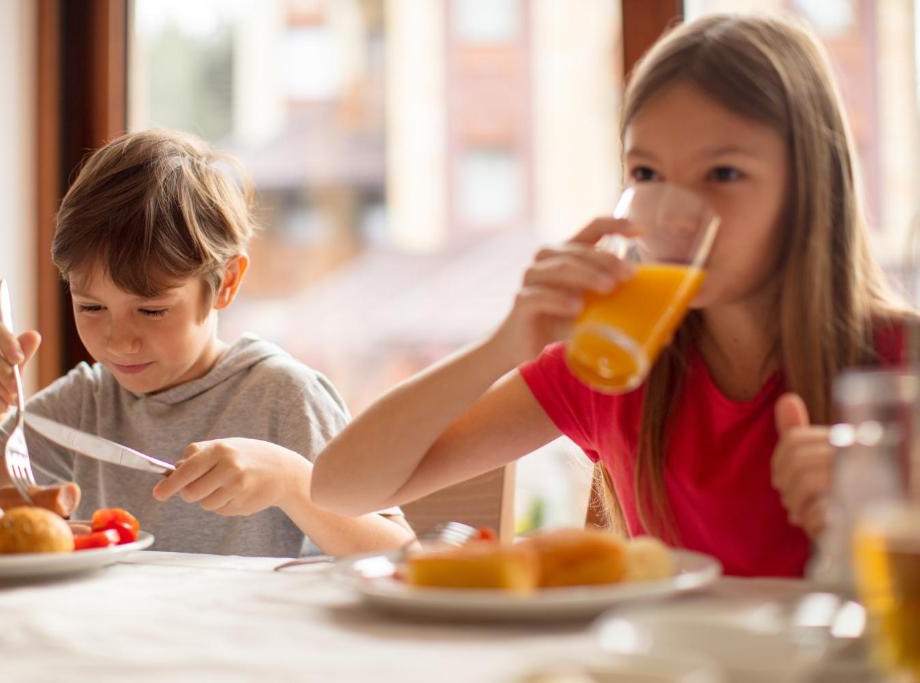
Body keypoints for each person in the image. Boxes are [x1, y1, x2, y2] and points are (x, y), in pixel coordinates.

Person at [310, 14, 908, 576]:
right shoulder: (615, 368)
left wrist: (890, 517)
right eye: (646, 175)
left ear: (811, 184)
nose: (673, 215)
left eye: (723, 174)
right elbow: (340, 487)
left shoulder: (900, 367)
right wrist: (504, 345)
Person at [0, 129, 413, 556]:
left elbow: (400, 556)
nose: (118, 341)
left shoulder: (283, 398)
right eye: (91, 307)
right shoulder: (87, 403)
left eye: (151, 310)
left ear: (226, 282)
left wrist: (291, 482)